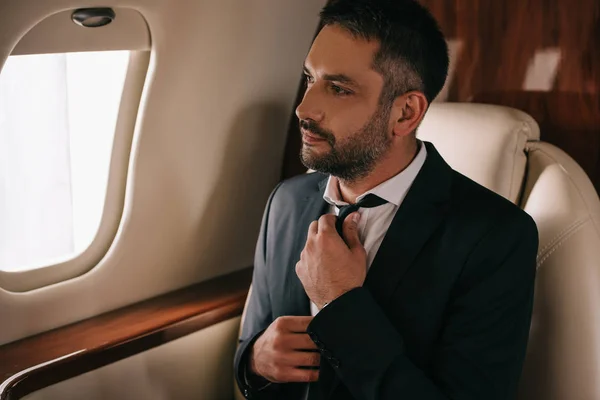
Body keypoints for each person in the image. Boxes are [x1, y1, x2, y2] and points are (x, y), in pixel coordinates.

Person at [234, 0, 539, 399]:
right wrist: (254, 361)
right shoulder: (285, 202)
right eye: (310, 78)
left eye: (339, 89)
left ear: (405, 113)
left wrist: (339, 304)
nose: (304, 108)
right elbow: (251, 348)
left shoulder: (496, 237)